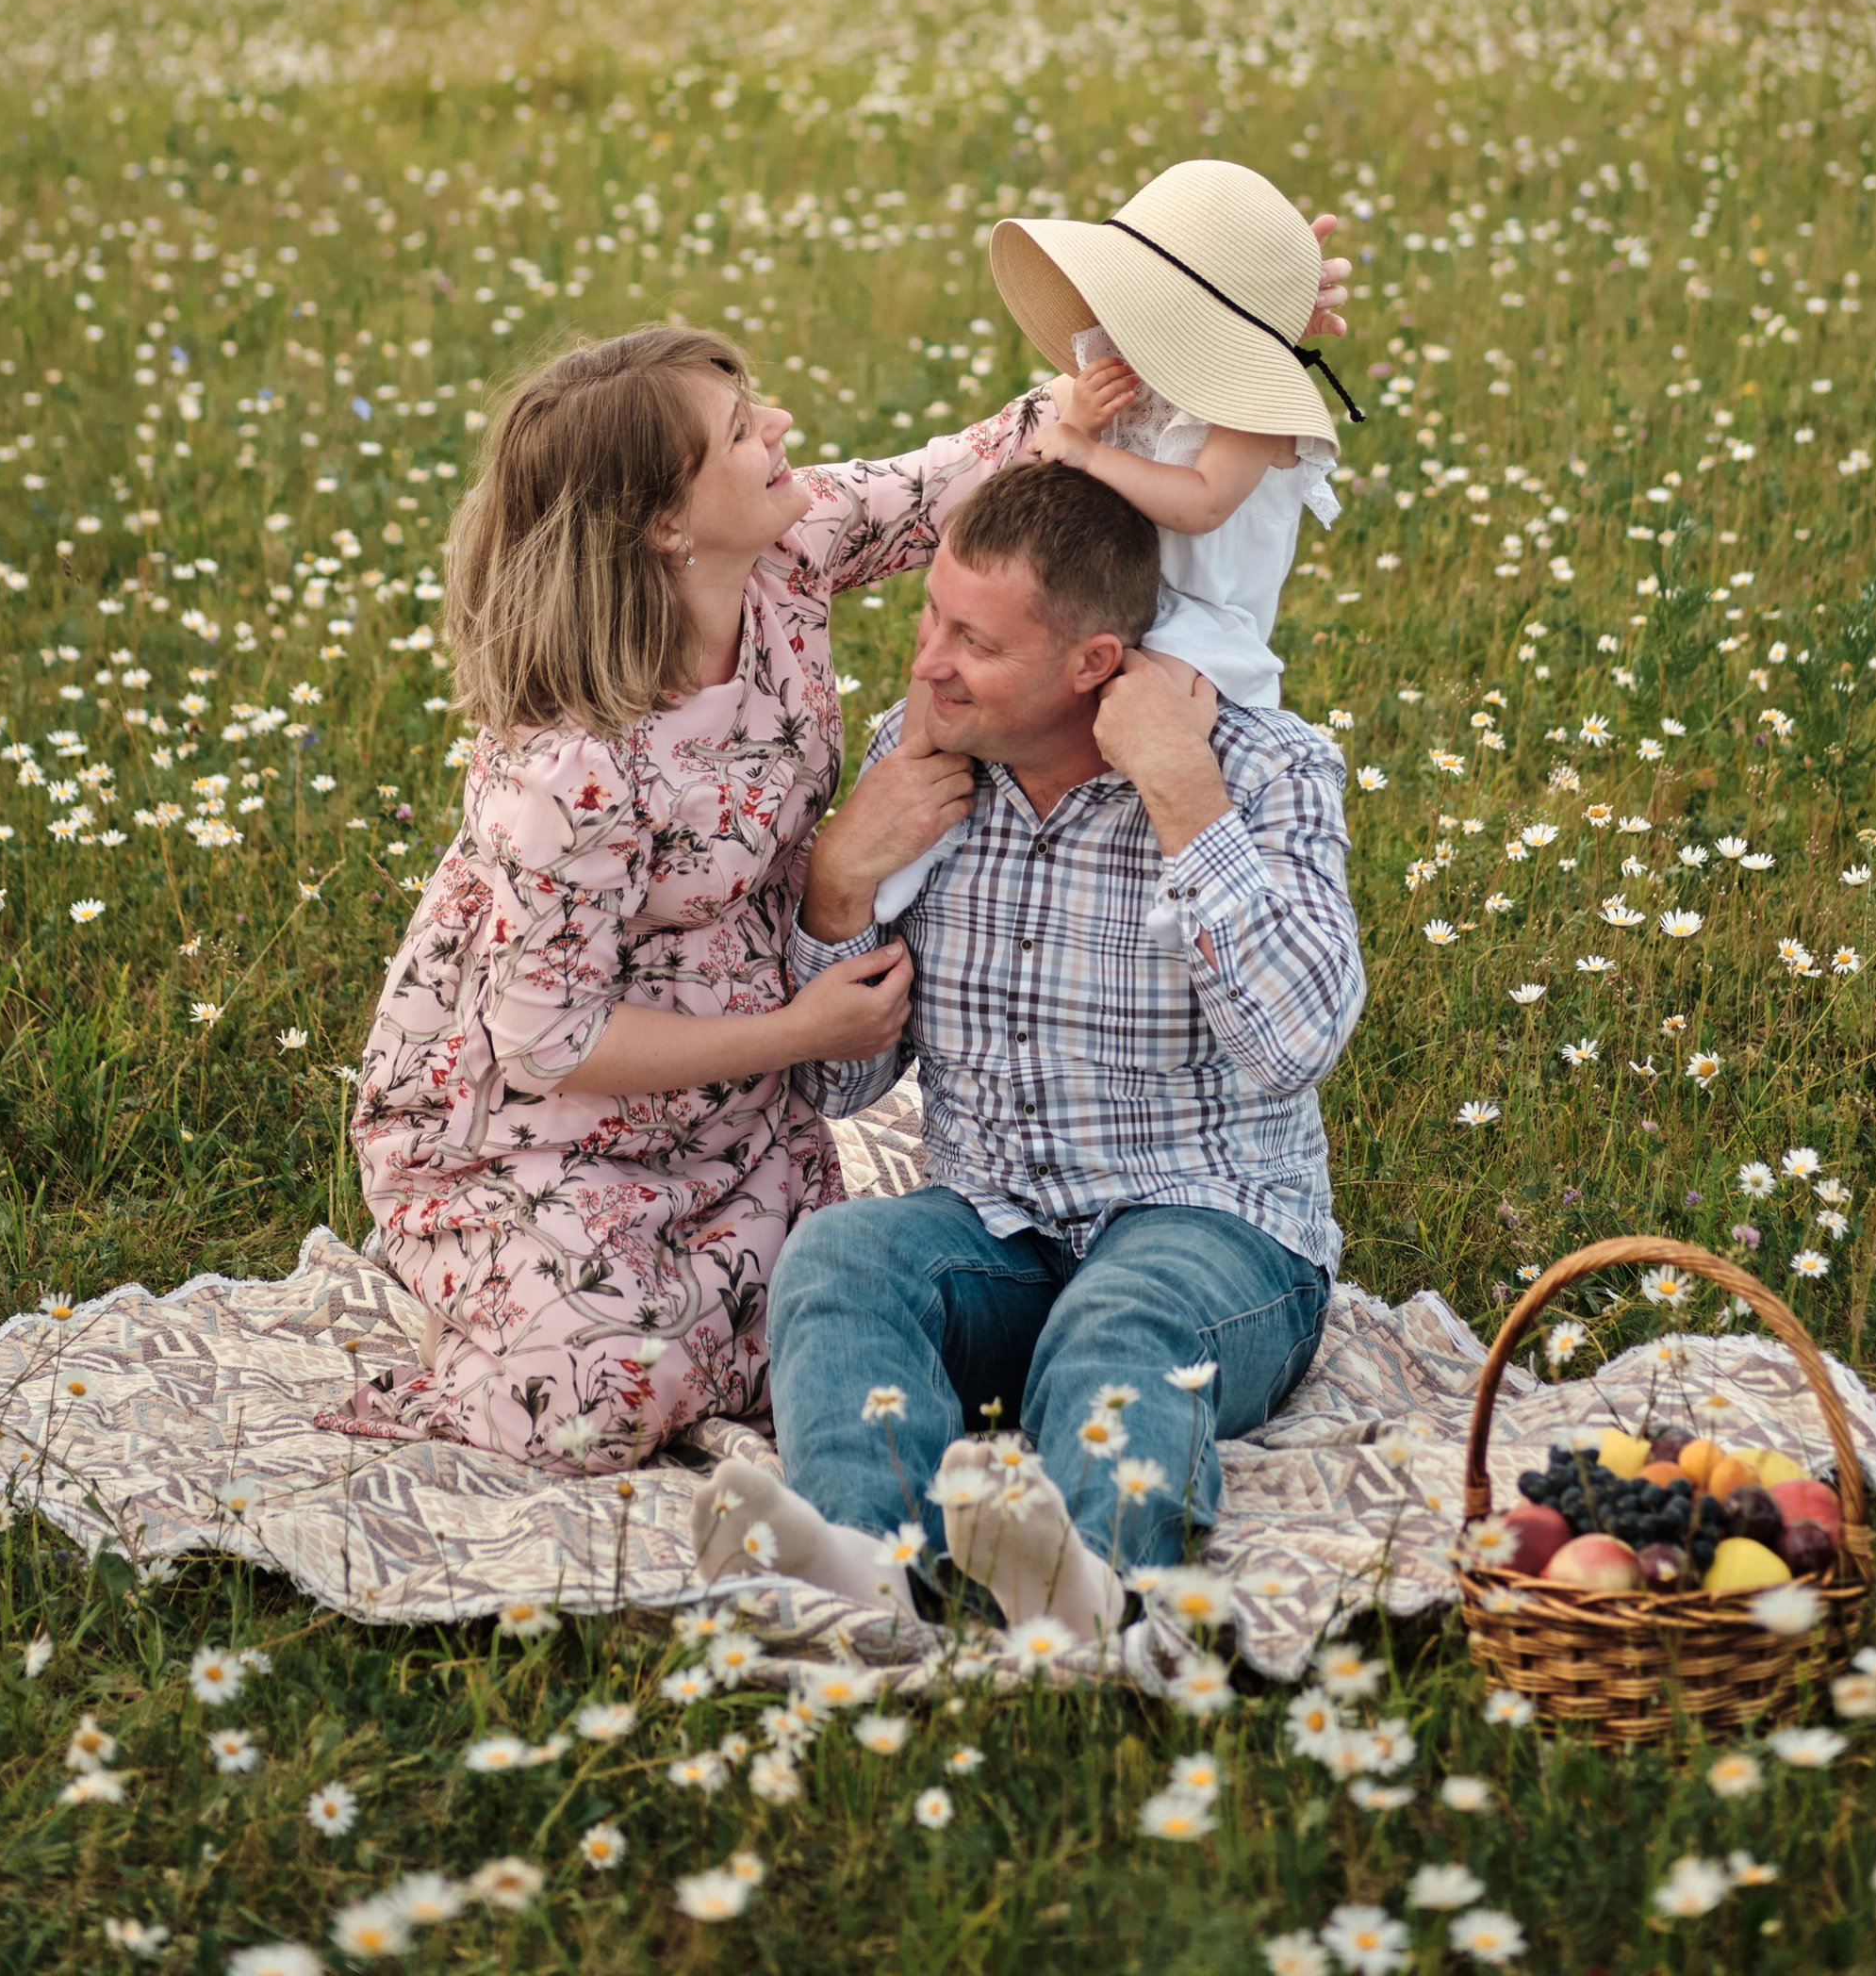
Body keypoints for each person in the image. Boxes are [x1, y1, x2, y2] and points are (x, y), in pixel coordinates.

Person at [316, 326, 1045, 1474]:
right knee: (603, 1398)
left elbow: (969, 469)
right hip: (530, 1134)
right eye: (741, 430)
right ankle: (482, 1316)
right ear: (666, 524)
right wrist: (800, 1034)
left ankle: (641, 1288)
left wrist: (1202, 331)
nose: (781, 427)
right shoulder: (568, 769)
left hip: (731, 1115)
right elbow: (547, 1043)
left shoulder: (785, 551)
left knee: (847, 1334)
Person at [691, 454, 1363, 1640]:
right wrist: (837, 885)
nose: (927, 662)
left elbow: (1297, 1043)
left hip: (1218, 1232)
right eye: (931, 617)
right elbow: (846, 1084)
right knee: (840, 1256)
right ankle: (866, 1570)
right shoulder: (921, 760)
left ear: (1093, 663)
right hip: (997, 1230)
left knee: (1125, 1317)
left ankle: (1093, 1591)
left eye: (977, 642)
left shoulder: (1263, 768)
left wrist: (1180, 790)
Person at [871, 156, 1360, 929]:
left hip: (1200, 616)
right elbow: (1055, 464)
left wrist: (1091, 453)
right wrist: (1081, 426)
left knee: (1155, 720)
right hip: (1103, 580)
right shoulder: (1125, 365)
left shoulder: (1255, 412)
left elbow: (1202, 504)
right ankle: (909, 833)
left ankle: (1174, 873)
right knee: (934, 696)